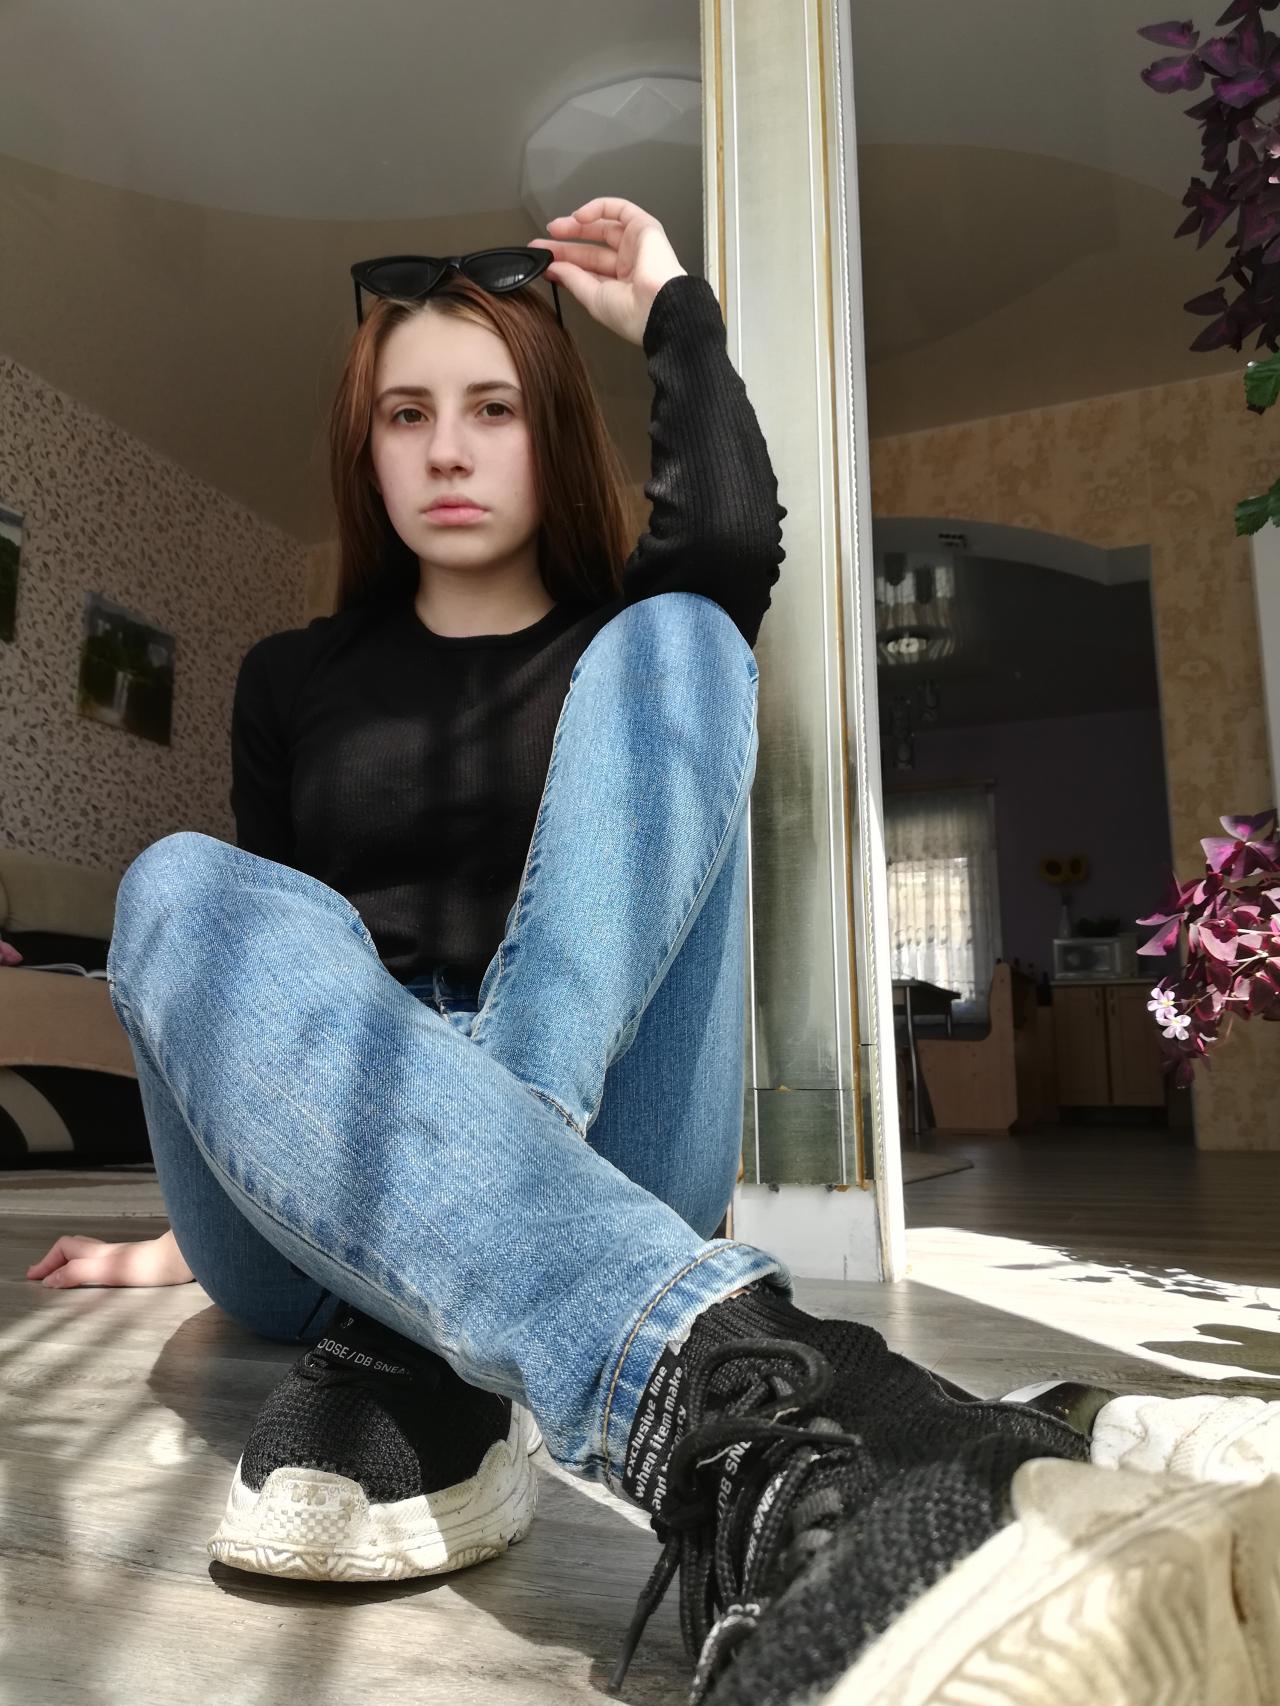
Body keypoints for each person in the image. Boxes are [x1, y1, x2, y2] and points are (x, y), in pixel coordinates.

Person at [22, 197, 1280, 1706]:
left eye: (492, 408)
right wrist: (204, 1219)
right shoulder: (289, 676)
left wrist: (674, 306)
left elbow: (733, 539)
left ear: (551, 432)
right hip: (318, 1199)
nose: (445, 449)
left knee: (687, 637)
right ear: (366, 449)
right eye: (407, 414)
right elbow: (268, 959)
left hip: (607, 1137)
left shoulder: (614, 640)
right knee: (178, 882)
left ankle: (456, 1331)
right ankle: (853, 1418)